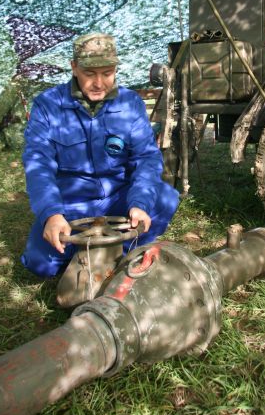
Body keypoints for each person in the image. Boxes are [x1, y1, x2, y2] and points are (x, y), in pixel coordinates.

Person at [21, 32, 179, 277]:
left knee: (166, 198)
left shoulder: (130, 104)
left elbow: (146, 158)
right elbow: (38, 165)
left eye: (107, 73)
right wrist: (51, 214)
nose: (99, 83)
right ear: (74, 67)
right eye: (89, 73)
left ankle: (116, 252)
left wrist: (139, 204)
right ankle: (94, 249)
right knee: (40, 264)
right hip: (72, 203)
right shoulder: (48, 105)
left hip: (118, 198)